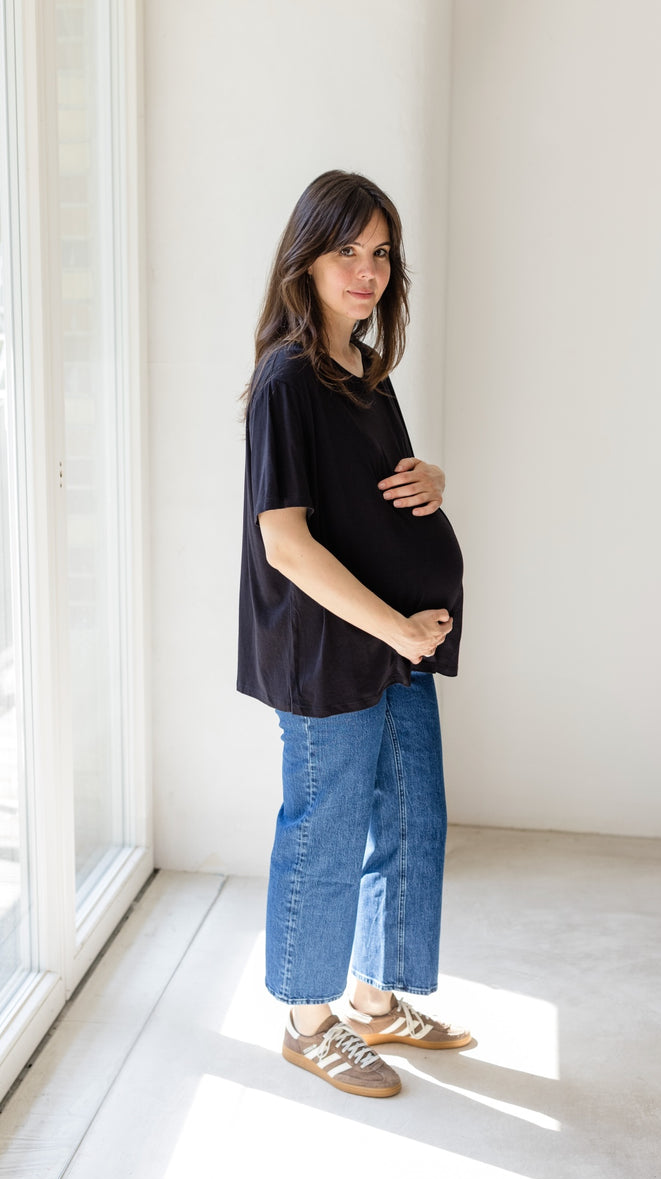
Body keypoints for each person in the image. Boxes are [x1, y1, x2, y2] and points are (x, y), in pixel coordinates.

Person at [237, 169, 470, 1099]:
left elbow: (382, 497)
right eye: (349, 250)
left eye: (381, 253)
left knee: (413, 820)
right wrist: (397, 627)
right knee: (326, 831)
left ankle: (375, 1001)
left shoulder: (365, 375)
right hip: (335, 649)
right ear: (309, 255)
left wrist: (434, 482)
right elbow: (285, 543)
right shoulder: (288, 377)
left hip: (394, 647)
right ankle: (307, 1020)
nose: (368, 270)